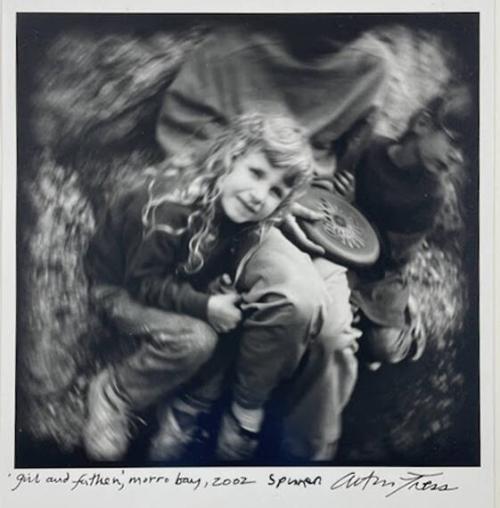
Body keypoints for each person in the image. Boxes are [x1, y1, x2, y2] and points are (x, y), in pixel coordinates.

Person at [83, 112, 350, 462]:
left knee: (232, 304)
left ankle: (193, 405)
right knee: (197, 338)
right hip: (119, 289)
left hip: (175, 275)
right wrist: (205, 305)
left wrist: (212, 294)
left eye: (275, 191)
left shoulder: (229, 201)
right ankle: (114, 394)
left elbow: (229, 238)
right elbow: (142, 284)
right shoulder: (170, 207)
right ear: (229, 158)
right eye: (256, 173)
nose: (259, 196)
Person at [333, 85, 473, 366]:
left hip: (380, 271)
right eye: (454, 143)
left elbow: (391, 257)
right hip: (341, 247)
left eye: (468, 154)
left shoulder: (432, 195)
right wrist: (344, 204)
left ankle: (409, 332)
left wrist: (352, 208)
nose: (458, 158)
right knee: (331, 313)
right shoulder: (370, 148)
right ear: (422, 124)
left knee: (383, 347)